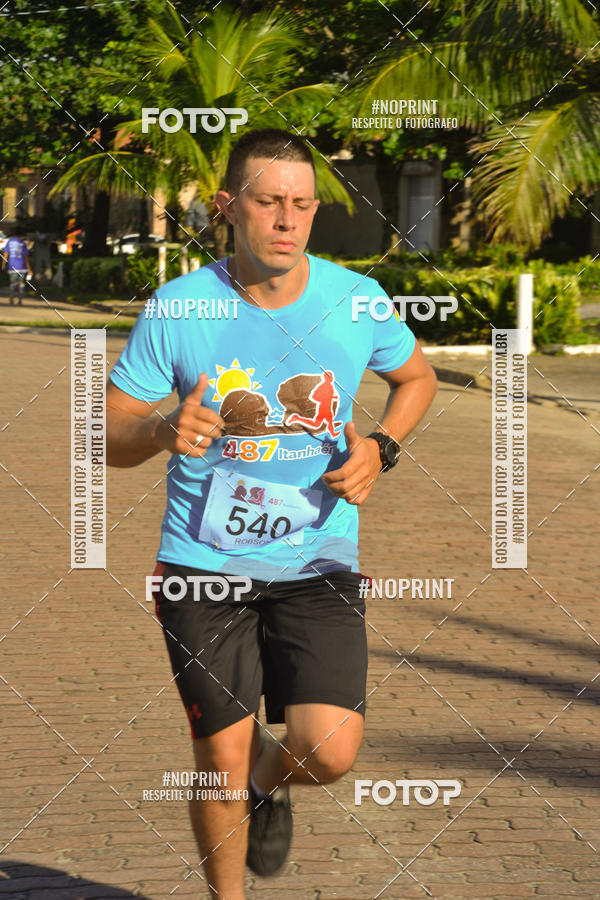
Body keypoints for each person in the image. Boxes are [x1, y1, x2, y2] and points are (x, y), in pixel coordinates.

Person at [106, 128, 437, 899]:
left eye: (301, 204)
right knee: (214, 757)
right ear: (229, 207)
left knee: (328, 751)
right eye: (267, 202)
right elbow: (109, 433)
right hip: (202, 566)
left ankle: (267, 777)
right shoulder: (180, 305)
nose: (286, 220)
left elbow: (416, 378)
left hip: (317, 562)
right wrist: (159, 429)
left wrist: (382, 445)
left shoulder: (356, 298)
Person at [2, 227, 32, 304]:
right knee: (21, 284)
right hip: (22, 267)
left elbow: (5, 254)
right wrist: (29, 269)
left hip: (12, 266)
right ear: (21, 235)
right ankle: (20, 300)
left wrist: (3, 265)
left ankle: (12, 294)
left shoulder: (9, 242)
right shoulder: (23, 243)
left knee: (13, 282)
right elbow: (26, 257)